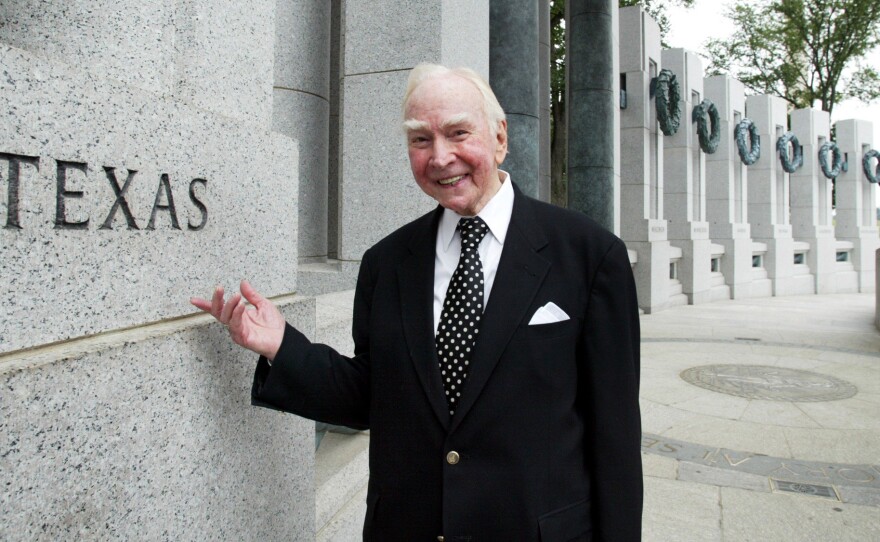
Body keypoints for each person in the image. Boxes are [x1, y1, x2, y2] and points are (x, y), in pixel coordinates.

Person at [191, 63, 642, 541]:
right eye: (420, 140)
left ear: (500, 136)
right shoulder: (386, 263)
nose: (440, 157)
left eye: (458, 133)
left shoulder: (590, 256)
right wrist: (282, 346)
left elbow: (613, 440)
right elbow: (372, 398)